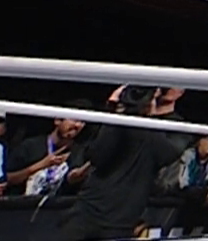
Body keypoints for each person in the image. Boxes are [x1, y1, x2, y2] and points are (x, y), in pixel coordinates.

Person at [57, 86, 184, 241]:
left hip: (115, 217)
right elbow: (97, 156)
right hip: (94, 211)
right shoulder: (123, 126)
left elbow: (168, 155)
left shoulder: (151, 133)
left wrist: (122, 114)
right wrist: (117, 116)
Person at [5, 111, 87, 195]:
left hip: (59, 202)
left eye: (82, 122)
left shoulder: (78, 151)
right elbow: (8, 179)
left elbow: (73, 178)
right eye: (74, 120)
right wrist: (42, 165)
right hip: (23, 200)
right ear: (58, 120)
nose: (78, 125)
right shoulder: (30, 145)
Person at [164, 134, 208, 235]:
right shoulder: (189, 154)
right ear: (200, 141)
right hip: (181, 195)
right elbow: (183, 184)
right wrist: (205, 193)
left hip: (205, 200)